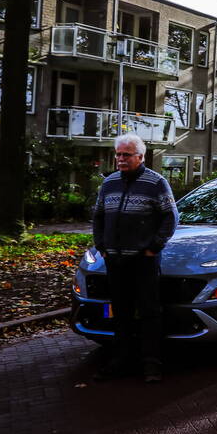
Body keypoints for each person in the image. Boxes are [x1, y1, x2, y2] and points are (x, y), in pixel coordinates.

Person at [92, 133, 178, 383]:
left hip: (144, 261)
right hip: (115, 260)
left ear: (140, 157)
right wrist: (101, 246)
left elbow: (170, 217)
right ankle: (120, 361)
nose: (120, 159)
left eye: (126, 155)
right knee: (120, 312)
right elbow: (98, 216)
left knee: (150, 312)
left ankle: (151, 365)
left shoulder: (156, 182)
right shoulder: (109, 183)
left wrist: (153, 247)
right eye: (118, 154)